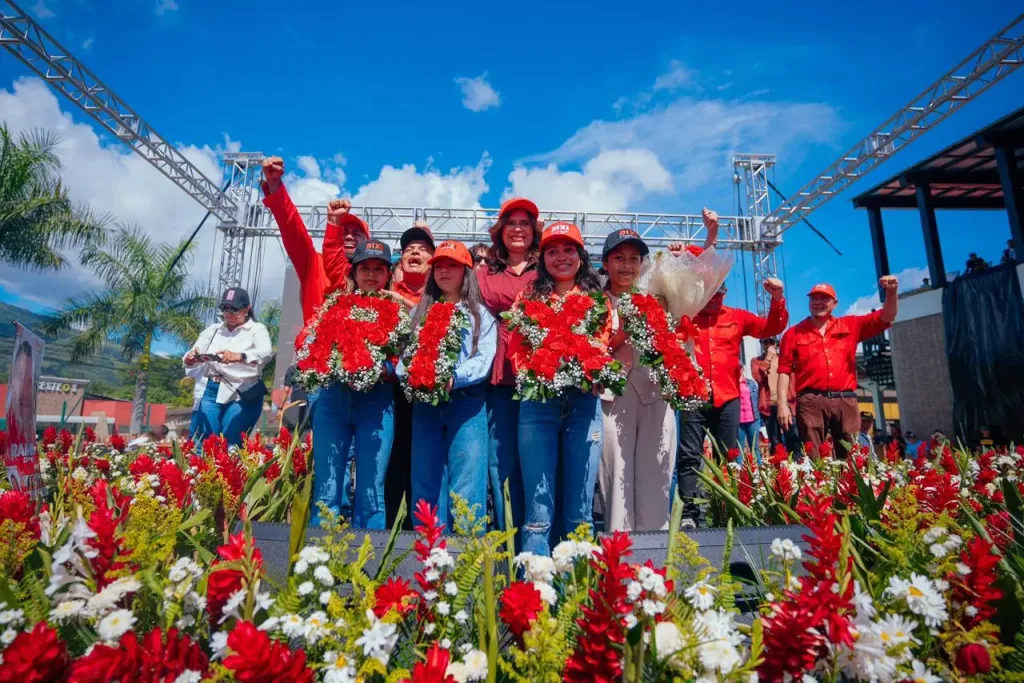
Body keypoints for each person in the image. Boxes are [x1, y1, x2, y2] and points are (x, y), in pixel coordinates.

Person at [512, 222, 609, 556]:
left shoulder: (598, 301)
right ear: (543, 259)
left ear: (580, 257)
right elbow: (517, 349)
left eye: (569, 249)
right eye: (552, 250)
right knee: (538, 511)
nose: (561, 257)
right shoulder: (526, 297)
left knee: (580, 511)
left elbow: (602, 344)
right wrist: (536, 373)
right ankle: (533, 595)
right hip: (537, 408)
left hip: (584, 407)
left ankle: (576, 596)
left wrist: (593, 371)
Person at [676, 265, 788, 525]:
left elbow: (771, 326)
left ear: (725, 293)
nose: (714, 299)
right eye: (709, 293)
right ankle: (690, 513)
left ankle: (725, 507)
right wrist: (683, 255)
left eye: (719, 293)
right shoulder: (686, 315)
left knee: (729, 454)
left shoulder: (738, 317)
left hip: (728, 397)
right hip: (693, 396)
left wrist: (778, 298)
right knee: (689, 454)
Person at [398, 240, 497, 528]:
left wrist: (454, 377)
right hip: (425, 406)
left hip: (467, 406)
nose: (444, 271)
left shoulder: (481, 315)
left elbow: (484, 358)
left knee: (468, 485)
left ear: (466, 272)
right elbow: (405, 358)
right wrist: (411, 376)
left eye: (452, 265)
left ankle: (467, 564)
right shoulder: (419, 313)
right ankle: (426, 560)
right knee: (425, 483)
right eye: (439, 266)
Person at [311, 240, 397, 529]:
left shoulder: (399, 311)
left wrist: (384, 367)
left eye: (378, 269)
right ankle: (316, 563)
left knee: (372, 490)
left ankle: (369, 567)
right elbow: (314, 345)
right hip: (333, 402)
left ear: (388, 274)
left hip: (377, 404)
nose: (371, 274)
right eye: (365, 268)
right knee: (327, 486)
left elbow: (406, 358)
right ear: (353, 273)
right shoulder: (334, 305)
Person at [598, 229, 677, 532]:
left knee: (656, 479)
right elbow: (591, 353)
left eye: (634, 259)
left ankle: (656, 561)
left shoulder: (661, 301)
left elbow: (680, 343)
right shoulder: (593, 303)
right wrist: (624, 331)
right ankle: (619, 559)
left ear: (643, 265)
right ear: (605, 263)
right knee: (616, 481)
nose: (627, 265)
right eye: (619, 258)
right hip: (611, 402)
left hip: (656, 399)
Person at [777, 277, 899, 458]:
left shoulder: (851, 325)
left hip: (845, 400)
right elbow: (784, 371)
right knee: (813, 456)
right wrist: (782, 404)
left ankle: (851, 486)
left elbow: (887, 317)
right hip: (810, 401)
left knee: (851, 456)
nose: (818, 302)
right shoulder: (793, 333)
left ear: (835, 303)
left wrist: (891, 291)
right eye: (814, 298)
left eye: (824, 298)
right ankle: (819, 486)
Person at [476, 197, 541, 534]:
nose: (518, 229)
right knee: (501, 465)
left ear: (534, 231)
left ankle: (541, 545)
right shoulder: (484, 273)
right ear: (500, 231)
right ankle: (507, 546)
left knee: (539, 465)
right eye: (511, 223)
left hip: (542, 379)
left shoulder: (548, 267)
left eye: (525, 223)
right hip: (500, 379)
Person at [385, 221, 437, 528]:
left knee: (424, 464)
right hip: (389, 392)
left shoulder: (442, 294)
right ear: (400, 262)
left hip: (430, 392)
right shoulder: (385, 292)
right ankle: (389, 532)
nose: (415, 252)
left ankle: (422, 533)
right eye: (408, 250)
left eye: (423, 249)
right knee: (392, 464)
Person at [185, 287, 273, 446]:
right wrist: (191, 358)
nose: (228, 313)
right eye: (224, 308)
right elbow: (191, 354)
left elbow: (266, 353)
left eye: (234, 309)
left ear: (247, 309)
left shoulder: (257, 329)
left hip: (241, 390)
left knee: (231, 442)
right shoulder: (213, 330)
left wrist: (240, 356)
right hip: (211, 390)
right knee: (206, 442)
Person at [751, 337, 800, 456]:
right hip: (769, 407)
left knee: (793, 439)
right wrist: (767, 359)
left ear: (776, 344)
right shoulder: (757, 361)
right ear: (762, 344)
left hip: (786, 404)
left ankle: (799, 468)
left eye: (771, 342)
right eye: (765, 342)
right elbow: (758, 377)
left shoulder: (784, 359)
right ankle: (778, 470)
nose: (768, 345)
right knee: (775, 442)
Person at [738, 372, 762, 461]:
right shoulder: (733, 383)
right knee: (739, 447)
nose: (739, 369)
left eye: (740, 367)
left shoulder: (751, 383)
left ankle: (759, 469)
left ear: (742, 369)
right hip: (739, 420)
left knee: (755, 446)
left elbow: (757, 399)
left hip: (753, 419)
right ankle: (738, 470)